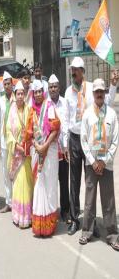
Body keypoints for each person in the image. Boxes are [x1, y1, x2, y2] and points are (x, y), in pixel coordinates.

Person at [64, 56, 118, 235]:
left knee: (90, 184)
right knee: (74, 180)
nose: (73, 72)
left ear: (83, 72)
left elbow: (106, 103)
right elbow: (65, 119)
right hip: (74, 139)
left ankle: (92, 222)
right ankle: (74, 219)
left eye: (76, 70)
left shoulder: (90, 89)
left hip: (89, 141)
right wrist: (65, 143)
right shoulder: (68, 92)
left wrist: (113, 85)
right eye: (72, 69)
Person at [79, 78, 119, 251]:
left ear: (104, 93)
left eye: (102, 91)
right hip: (91, 164)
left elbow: (115, 140)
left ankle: (112, 235)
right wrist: (93, 161)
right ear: (93, 93)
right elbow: (83, 140)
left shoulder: (112, 114)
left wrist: (104, 161)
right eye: (97, 91)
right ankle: (86, 231)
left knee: (108, 201)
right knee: (89, 200)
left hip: (106, 165)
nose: (100, 94)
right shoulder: (87, 114)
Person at [30, 80, 61, 237]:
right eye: (35, 92)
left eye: (40, 91)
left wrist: (44, 146)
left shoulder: (49, 107)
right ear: (33, 94)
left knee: (49, 187)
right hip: (37, 152)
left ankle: (49, 225)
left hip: (49, 152)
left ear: (44, 92)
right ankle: (39, 224)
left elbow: (55, 130)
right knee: (38, 187)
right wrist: (36, 145)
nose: (37, 94)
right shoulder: (32, 111)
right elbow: (29, 132)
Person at [6, 81, 34, 228]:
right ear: (15, 95)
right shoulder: (11, 111)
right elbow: (8, 132)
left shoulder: (29, 110)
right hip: (17, 154)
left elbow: (33, 129)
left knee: (28, 184)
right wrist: (17, 146)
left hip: (27, 154)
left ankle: (27, 217)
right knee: (19, 184)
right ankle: (18, 216)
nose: (20, 96)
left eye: (23, 93)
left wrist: (26, 146)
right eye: (18, 94)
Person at [47, 74, 70, 222]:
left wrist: (67, 146)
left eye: (55, 86)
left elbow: (66, 124)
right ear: (48, 89)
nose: (53, 89)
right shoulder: (45, 104)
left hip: (62, 150)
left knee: (63, 181)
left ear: (59, 87)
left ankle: (65, 211)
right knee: (51, 182)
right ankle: (51, 211)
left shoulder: (64, 102)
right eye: (51, 87)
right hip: (50, 150)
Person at [0, 71, 15, 213]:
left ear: (12, 84)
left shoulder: (18, 98)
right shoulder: (1, 101)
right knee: (5, 172)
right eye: (5, 84)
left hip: (15, 143)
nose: (7, 86)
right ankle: (9, 202)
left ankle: (18, 202)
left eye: (9, 83)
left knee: (16, 172)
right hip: (4, 142)